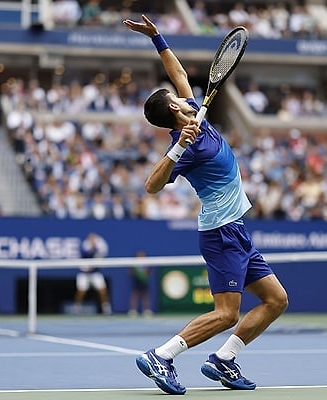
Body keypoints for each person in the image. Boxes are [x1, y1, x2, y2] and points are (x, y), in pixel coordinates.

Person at [123, 15, 289, 395]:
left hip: (237, 230)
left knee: (276, 299)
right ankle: (161, 356)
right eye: (177, 98)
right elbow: (151, 186)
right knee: (227, 313)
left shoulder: (194, 110)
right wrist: (180, 144)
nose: (182, 92)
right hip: (220, 232)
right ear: (175, 111)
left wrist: (157, 37)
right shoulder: (184, 145)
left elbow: (178, 71)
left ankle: (224, 360)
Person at [74, 232, 112, 315]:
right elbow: (85, 254)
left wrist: (94, 247)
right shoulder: (84, 245)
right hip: (84, 273)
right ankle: (77, 308)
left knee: (103, 291)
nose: (92, 239)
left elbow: (98, 255)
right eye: (91, 238)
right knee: (81, 292)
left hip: (95, 273)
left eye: (94, 238)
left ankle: (106, 309)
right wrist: (92, 248)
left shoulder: (99, 247)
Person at [128, 250, 153, 317]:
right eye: (139, 255)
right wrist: (136, 274)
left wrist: (144, 276)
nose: (141, 256)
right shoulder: (134, 263)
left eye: (142, 255)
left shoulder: (146, 263)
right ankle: (133, 310)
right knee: (135, 295)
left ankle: (147, 310)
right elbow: (131, 273)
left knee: (145, 295)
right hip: (136, 281)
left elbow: (148, 273)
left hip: (144, 281)